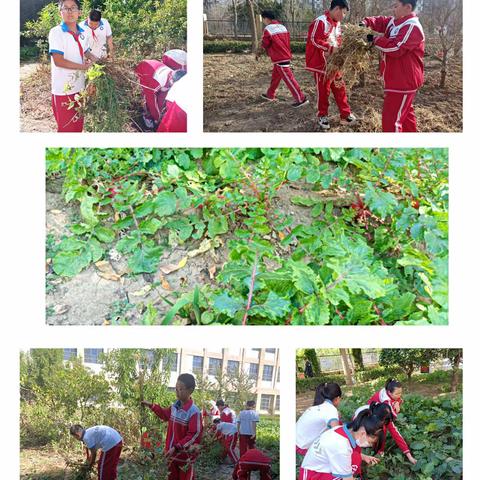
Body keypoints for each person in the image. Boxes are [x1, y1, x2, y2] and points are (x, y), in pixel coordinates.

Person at [361, 0, 424, 132]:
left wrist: (374, 39)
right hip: (395, 80)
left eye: (396, 6)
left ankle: (392, 151)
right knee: (405, 117)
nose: (392, 9)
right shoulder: (395, 21)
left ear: (408, 7)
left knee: (391, 122)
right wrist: (366, 22)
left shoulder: (412, 27)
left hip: (403, 82)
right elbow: (381, 21)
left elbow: (396, 48)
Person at [305, 0, 356, 130]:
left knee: (340, 87)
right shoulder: (321, 21)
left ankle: (345, 115)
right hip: (322, 64)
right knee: (324, 91)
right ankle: (323, 116)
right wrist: (330, 48)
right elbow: (313, 40)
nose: (343, 16)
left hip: (334, 63)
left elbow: (337, 40)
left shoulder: (337, 23)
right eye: (343, 12)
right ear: (337, 9)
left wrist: (341, 50)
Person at [141, 373, 203, 480]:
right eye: (176, 388)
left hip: (185, 457)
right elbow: (165, 414)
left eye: (181, 389)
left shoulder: (194, 412)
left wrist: (177, 447)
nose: (177, 392)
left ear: (190, 390)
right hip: (171, 455)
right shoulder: (175, 406)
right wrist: (151, 405)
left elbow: (194, 435)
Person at [299, 409, 383, 480]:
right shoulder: (341, 446)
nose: (370, 445)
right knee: (354, 460)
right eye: (371, 442)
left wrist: (364, 457)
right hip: (314, 475)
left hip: (318, 468)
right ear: (362, 434)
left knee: (356, 457)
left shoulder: (343, 430)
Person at [48, 0, 93, 132]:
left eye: (73, 8)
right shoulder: (56, 32)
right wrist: (84, 67)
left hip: (80, 90)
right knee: (67, 129)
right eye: (65, 8)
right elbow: (58, 61)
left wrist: (98, 61)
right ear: (60, 12)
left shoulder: (83, 31)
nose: (70, 12)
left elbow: (86, 51)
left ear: (79, 12)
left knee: (78, 127)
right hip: (64, 90)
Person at [256, 10, 308, 108]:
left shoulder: (268, 28)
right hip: (284, 55)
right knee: (276, 77)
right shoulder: (283, 27)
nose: (263, 21)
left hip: (279, 57)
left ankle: (301, 98)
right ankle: (270, 94)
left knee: (289, 79)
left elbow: (265, 43)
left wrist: (260, 50)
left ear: (266, 18)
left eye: (263, 19)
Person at [366, 379, 417, 464]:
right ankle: (378, 451)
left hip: (380, 411)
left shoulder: (390, 391)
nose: (399, 395)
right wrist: (397, 409)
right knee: (383, 430)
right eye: (397, 394)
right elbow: (393, 416)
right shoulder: (387, 402)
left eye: (400, 393)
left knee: (390, 430)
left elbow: (397, 401)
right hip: (371, 413)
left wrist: (409, 455)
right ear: (389, 393)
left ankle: (377, 448)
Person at [296, 383, 342, 455]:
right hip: (302, 448)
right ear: (337, 399)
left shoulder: (316, 407)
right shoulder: (331, 410)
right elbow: (338, 434)